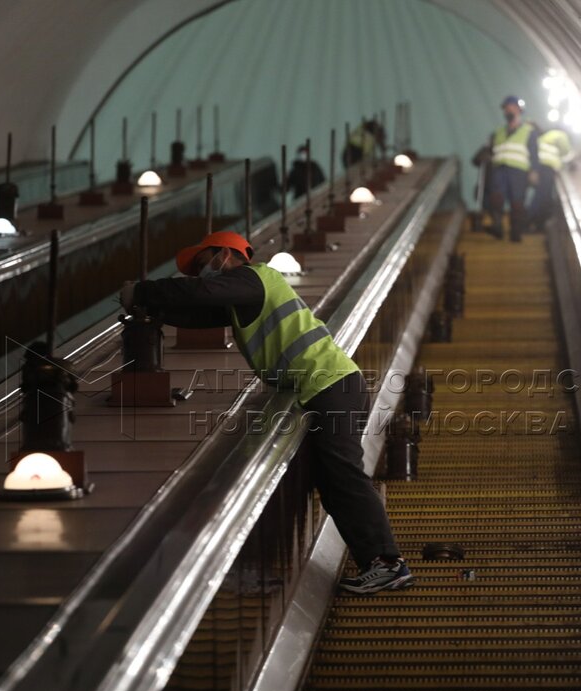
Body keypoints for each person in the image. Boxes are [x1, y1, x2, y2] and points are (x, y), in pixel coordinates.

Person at [120, 231, 414, 595]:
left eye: (203, 263)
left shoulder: (254, 278)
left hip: (330, 386)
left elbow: (199, 294)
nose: (201, 273)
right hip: (328, 387)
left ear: (224, 255)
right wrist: (155, 309)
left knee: (344, 474)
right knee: (333, 480)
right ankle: (373, 562)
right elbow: (197, 311)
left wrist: (144, 291)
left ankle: (387, 563)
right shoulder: (242, 297)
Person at [480, 95, 540, 243]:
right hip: (500, 168)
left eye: (511, 108)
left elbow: (534, 153)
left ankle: (516, 232)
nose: (508, 111)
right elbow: (491, 149)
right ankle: (498, 226)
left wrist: (534, 171)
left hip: (519, 170)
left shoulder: (529, 131)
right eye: (506, 109)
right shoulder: (498, 132)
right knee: (496, 196)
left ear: (519, 110)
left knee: (517, 201)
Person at [526, 125, 574, 233]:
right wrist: (571, 158)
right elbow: (566, 151)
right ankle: (529, 219)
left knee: (544, 195)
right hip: (548, 166)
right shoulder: (560, 135)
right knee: (542, 195)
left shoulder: (545, 137)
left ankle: (537, 223)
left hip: (539, 166)